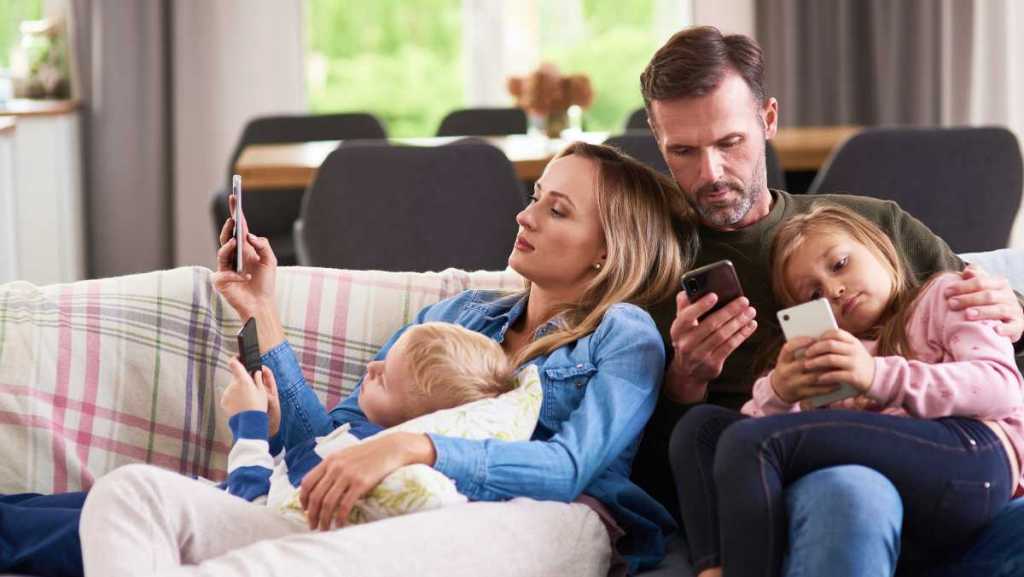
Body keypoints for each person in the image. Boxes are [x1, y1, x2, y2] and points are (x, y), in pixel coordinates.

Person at [74, 141, 697, 577]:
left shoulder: (623, 334)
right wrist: (260, 312)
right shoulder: (459, 316)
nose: (524, 214)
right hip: (387, 514)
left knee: (264, 567)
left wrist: (413, 447)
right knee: (128, 498)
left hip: (542, 523)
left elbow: (567, 468)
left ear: (606, 253)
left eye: (556, 210)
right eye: (536, 197)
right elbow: (330, 445)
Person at [629, 25, 1024, 575]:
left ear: (768, 120)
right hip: (790, 488)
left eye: (729, 143)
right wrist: (683, 385)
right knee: (846, 489)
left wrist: (1018, 310)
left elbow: (992, 357)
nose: (711, 173)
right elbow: (646, 473)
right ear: (657, 138)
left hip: (942, 462)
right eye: (684, 151)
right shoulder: (650, 272)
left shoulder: (869, 227)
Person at [672, 203, 1024, 577]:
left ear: (881, 248)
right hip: (899, 508)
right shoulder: (829, 355)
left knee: (748, 443)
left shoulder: (944, 295)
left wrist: (875, 375)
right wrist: (781, 391)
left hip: (975, 456)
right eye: (812, 296)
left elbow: (1000, 387)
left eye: (840, 264)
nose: (835, 290)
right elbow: (755, 445)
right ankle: (714, 569)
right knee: (703, 428)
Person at [219, 321, 517, 516]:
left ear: (415, 420)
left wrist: (249, 424)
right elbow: (281, 484)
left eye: (384, 378)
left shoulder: (354, 452)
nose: (372, 366)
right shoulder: (359, 436)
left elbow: (253, 512)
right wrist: (272, 436)